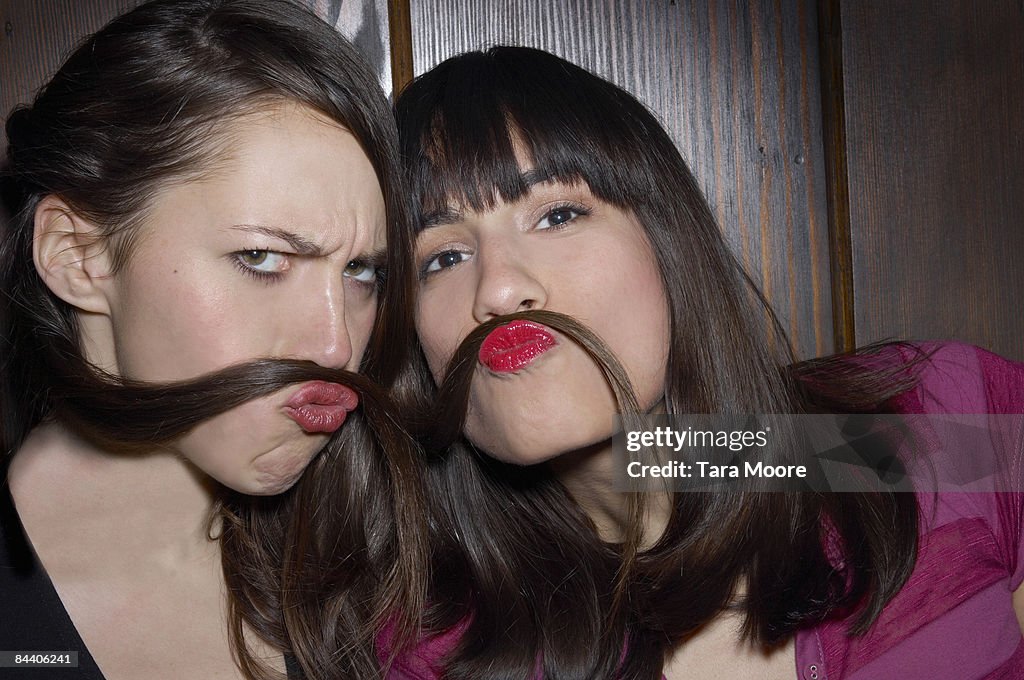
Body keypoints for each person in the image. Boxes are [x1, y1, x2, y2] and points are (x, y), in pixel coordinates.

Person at [389, 46, 1024, 679]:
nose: (498, 288)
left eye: (557, 215)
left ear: (668, 243)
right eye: (441, 257)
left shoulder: (937, 427)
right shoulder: (428, 648)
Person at [0, 1, 427, 678]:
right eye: (261, 258)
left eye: (360, 272)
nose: (336, 346)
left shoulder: (367, 562)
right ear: (78, 257)